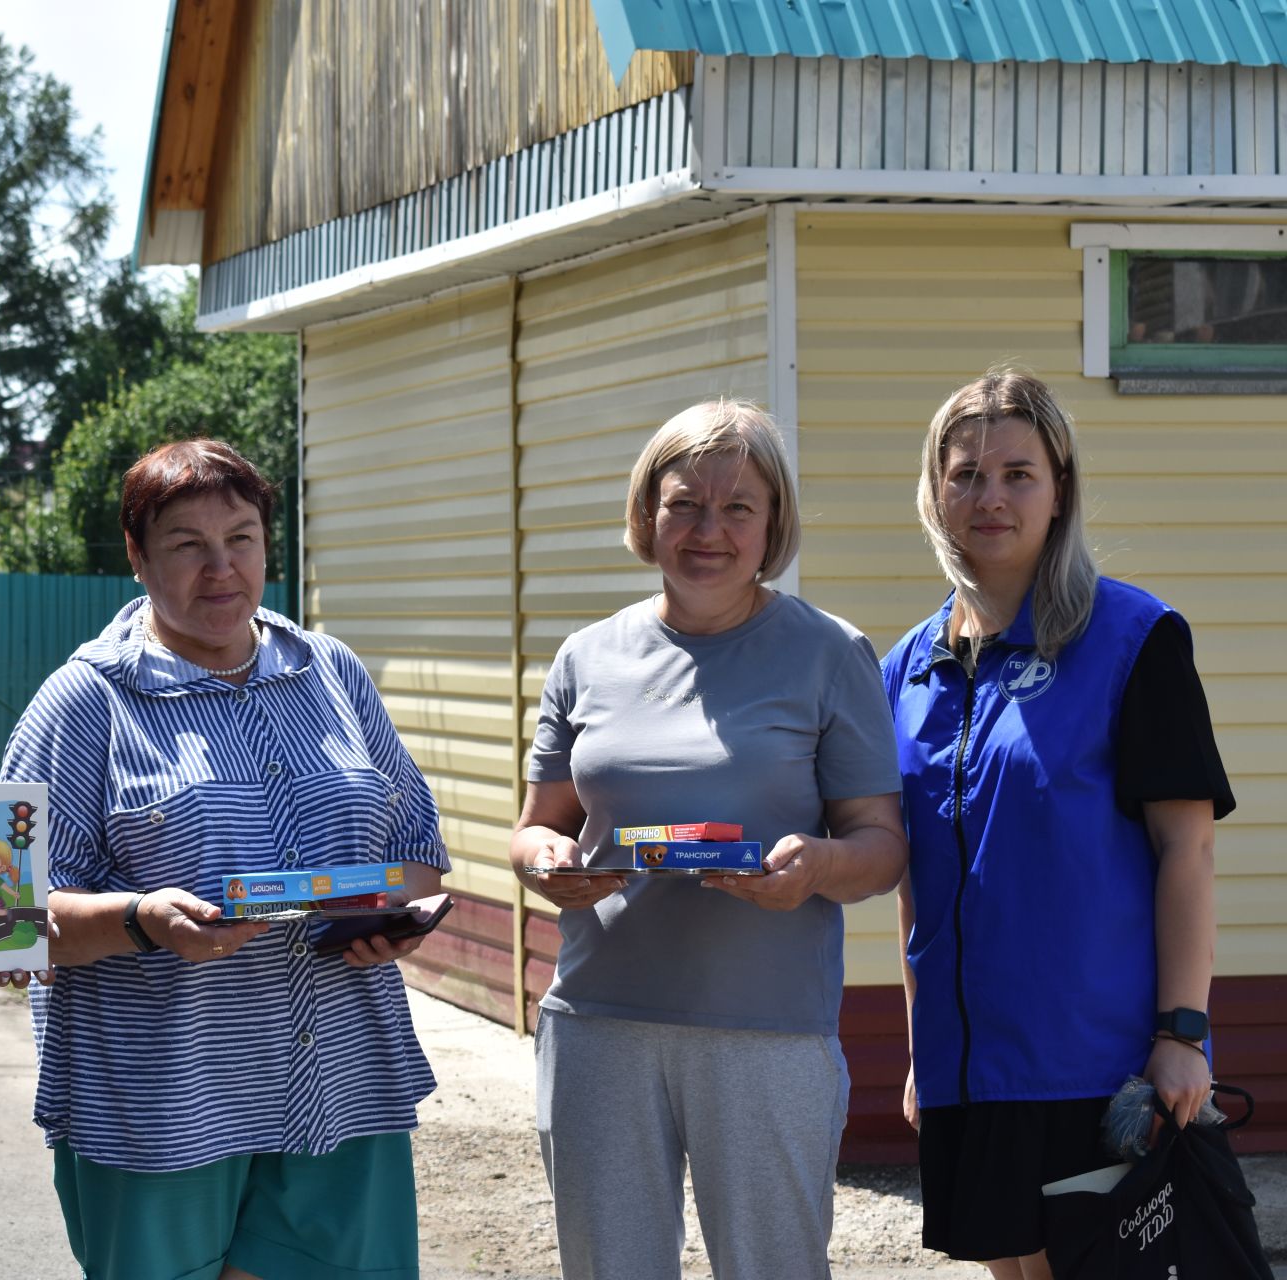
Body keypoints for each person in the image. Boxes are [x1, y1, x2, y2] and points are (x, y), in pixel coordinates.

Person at [0, 438, 448, 1280]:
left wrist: (396, 921)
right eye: (186, 544)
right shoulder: (85, 701)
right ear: (136, 556)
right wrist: (141, 919)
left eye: (240, 538)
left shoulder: (330, 671)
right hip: (165, 1106)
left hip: (338, 1087)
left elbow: (414, 849)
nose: (221, 569)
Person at [509, 400, 908, 1280]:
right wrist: (545, 861)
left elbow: (881, 846)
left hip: (768, 1033)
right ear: (647, 515)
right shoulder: (587, 657)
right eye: (684, 503)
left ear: (774, 526)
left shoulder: (830, 654)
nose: (708, 530)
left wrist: (817, 868)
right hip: (599, 1022)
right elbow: (540, 822)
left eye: (738, 508)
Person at [882, 371, 1234, 1279]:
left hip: (1100, 1069)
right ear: (933, 492)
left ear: (1061, 488)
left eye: (1017, 473)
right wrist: (926, 1049)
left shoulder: (1135, 638)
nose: (989, 497)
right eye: (965, 475)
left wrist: (1182, 1033)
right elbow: (918, 877)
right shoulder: (904, 673)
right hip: (973, 1068)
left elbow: (1186, 849)